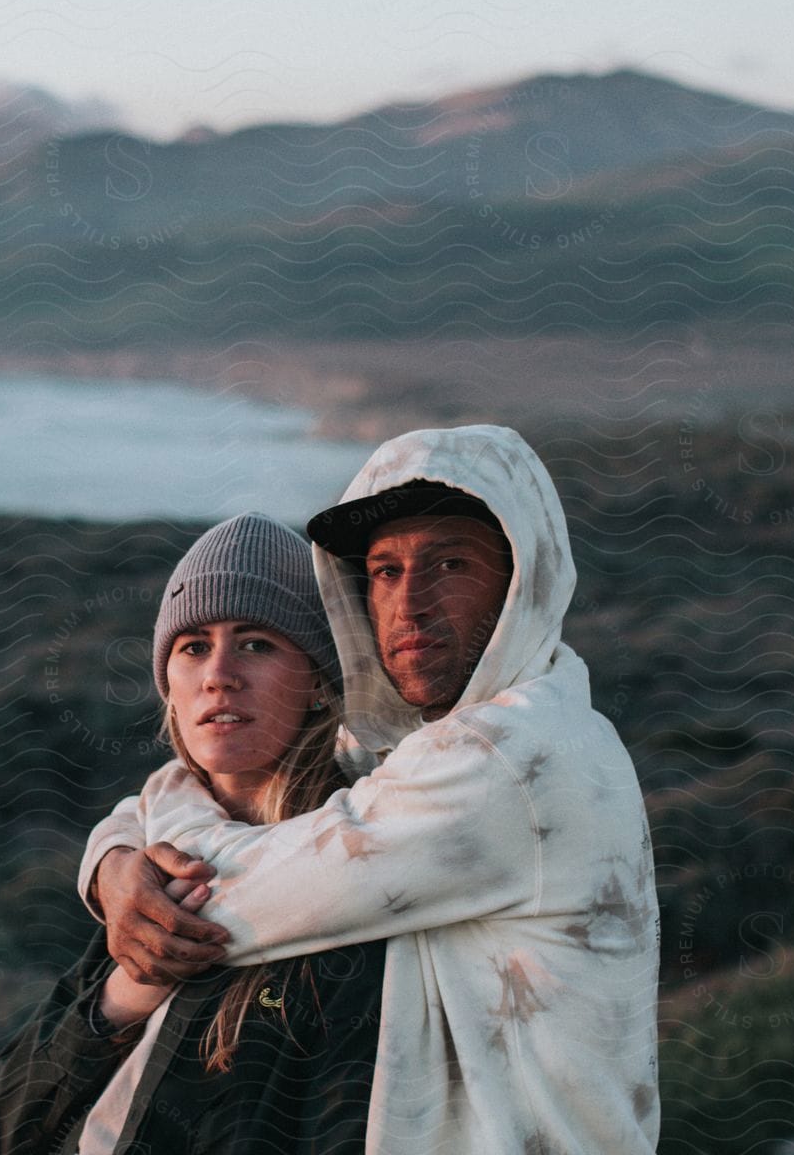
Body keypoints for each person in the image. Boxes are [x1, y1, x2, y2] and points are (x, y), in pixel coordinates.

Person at [79, 425, 661, 1154]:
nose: (409, 604)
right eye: (384, 571)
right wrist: (115, 854)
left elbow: (220, 898)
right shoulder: (454, 742)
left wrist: (124, 865)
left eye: (450, 563)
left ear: (524, 579)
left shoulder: (507, 758)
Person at [0, 512, 386, 1154]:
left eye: (257, 643)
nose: (218, 672)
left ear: (317, 681)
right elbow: (9, 1116)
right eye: (193, 645)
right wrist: (124, 993)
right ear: (169, 682)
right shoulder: (159, 865)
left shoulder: (367, 866)